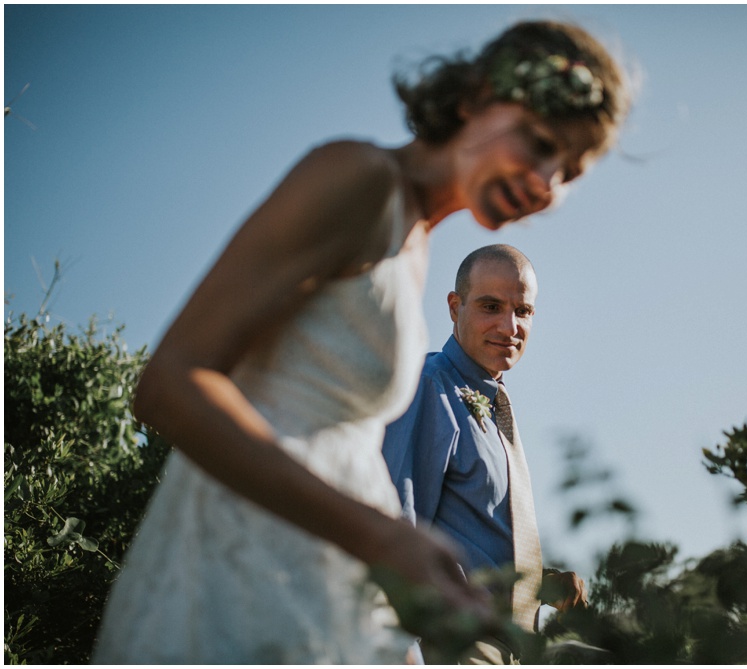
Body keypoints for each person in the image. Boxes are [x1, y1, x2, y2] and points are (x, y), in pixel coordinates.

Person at [93, 19, 630, 664]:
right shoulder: (358, 177)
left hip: (329, 586)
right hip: (254, 565)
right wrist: (380, 537)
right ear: (478, 96)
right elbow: (169, 385)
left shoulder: (415, 243)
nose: (547, 182)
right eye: (539, 142)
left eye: (568, 169)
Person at [382, 244, 587, 664]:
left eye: (523, 311)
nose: (509, 325)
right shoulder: (429, 387)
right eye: (490, 306)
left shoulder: (492, 405)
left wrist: (537, 584)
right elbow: (397, 527)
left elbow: (467, 540)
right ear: (455, 307)